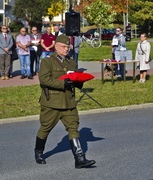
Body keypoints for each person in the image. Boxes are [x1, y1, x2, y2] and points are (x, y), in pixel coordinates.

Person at [34, 34, 96, 169]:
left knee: (73, 127)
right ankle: (39, 152)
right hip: (52, 102)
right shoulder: (47, 61)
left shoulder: (71, 62)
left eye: (68, 47)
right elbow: (44, 80)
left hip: (69, 102)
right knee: (46, 128)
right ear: (56, 47)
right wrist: (64, 83)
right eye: (63, 47)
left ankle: (80, 159)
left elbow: (73, 78)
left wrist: (79, 82)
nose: (66, 49)